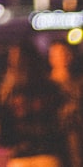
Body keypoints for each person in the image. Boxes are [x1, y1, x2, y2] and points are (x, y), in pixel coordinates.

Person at [0, 39, 68, 167]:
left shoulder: (8, 94)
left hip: (20, 157)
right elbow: (64, 124)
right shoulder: (52, 89)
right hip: (48, 156)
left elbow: (0, 127)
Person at [47, 39, 83, 167]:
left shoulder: (79, 84)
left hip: (76, 137)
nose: (61, 58)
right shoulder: (45, 85)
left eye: (64, 53)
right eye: (56, 54)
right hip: (52, 138)